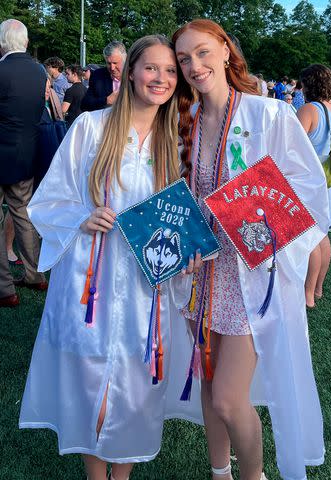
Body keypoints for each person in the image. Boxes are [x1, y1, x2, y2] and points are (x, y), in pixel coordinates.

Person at [19, 34, 202, 480]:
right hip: (93, 276)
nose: (160, 78)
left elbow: (187, 215)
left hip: (147, 284)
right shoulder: (91, 128)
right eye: (151, 68)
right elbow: (48, 199)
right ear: (131, 70)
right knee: (89, 380)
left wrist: (191, 252)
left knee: (139, 387)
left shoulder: (177, 142)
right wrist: (82, 216)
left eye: (169, 71)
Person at [173, 19, 329, 480]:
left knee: (228, 396)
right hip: (200, 273)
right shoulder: (185, 122)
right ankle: (219, 472)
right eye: (184, 58)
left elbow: (308, 187)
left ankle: (252, 476)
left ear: (225, 50)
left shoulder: (269, 116)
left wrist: (253, 215)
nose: (194, 65)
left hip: (250, 275)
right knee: (206, 384)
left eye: (202, 52)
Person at [0, 18, 48, 308]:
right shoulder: (39, 71)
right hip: (26, 153)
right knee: (24, 215)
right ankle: (35, 274)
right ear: (26, 42)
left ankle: (5, 288)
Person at [297, 64, 331, 307]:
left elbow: (292, 144)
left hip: (310, 182)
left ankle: (306, 294)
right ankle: (317, 289)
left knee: (310, 239)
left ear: (308, 84)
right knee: (322, 235)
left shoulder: (309, 109)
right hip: (330, 182)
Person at [81, 41, 127, 112]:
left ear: (125, 60)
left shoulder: (135, 75)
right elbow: (85, 105)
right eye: (109, 63)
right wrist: (107, 100)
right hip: (104, 121)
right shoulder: (98, 75)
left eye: (115, 63)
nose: (112, 67)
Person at [62, 64, 87, 128]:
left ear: (74, 74)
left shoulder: (70, 90)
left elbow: (63, 110)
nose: (66, 76)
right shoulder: (86, 89)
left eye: (68, 74)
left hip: (72, 123)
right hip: (84, 122)